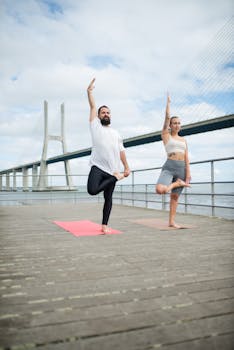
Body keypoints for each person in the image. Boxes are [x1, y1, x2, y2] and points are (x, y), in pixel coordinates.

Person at [87, 78, 130, 234]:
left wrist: (126, 166)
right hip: (98, 167)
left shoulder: (116, 133)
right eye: (103, 112)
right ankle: (116, 178)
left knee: (108, 198)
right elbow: (92, 106)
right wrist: (89, 92)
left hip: (113, 169)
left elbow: (121, 151)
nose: (106, 114)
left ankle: (104, 225)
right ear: (98, 116)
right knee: (92, 190)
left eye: (108, 112)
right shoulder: (95, 126)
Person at [156, 94, 191, 228]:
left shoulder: (184, 140)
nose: (177, 125)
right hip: (169, 166)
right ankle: (176, 184)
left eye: (178, 123)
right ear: (170, 125)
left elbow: (187, 157)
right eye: (174, 123)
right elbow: (166, 117)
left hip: (182, 167)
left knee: (175, 197)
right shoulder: (165, 135)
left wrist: (188, 173)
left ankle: (171, 222)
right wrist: (168, 104)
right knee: (160, 190)